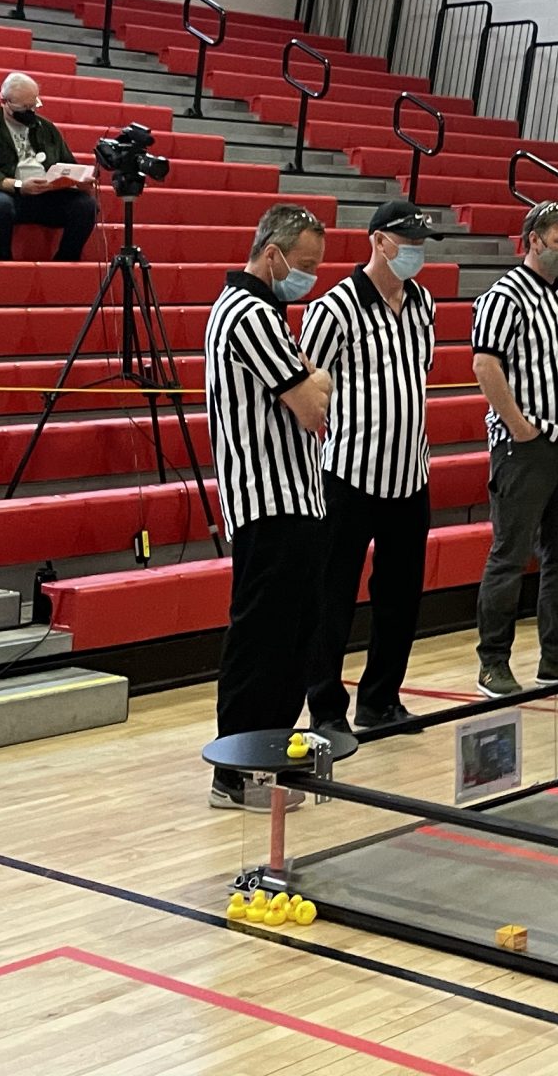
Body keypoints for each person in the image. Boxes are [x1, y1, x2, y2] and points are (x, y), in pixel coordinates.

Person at [206, 205, 338, 808]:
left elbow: (310, 390)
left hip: (293, 497)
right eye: (304, 263)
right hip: (270, 499)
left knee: (292, 638)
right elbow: (314, 407)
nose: (310, 276)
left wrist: (312, 379)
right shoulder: (250, 313)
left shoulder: (257, 311)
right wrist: (316, 380)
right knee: (264, 639)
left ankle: (270, 758)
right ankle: (237, 770)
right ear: (272, 253)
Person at [297, 198, 439, 741]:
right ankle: (325, 708)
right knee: (332, 596)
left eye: (422, 244)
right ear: (379, 241)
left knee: (401, 597)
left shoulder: (423, 302)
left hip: (409, 472)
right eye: (409, 243)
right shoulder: (335, 308)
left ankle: (381, 699)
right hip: (348, 473)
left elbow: (417, 373)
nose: (417, 253)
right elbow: (308, 382)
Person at [472, 201, 558, 694]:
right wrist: (518, 425)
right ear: (533, 240)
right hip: (526, 448)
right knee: (510, 554)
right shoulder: (504, 296)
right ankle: (493, 661)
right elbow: (485, 365)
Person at [0, 72, 99, 262]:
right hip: (8, 194)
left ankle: (65, 261)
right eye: (24, 107)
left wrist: (78, 181)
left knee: (86, 206)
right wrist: (19, 185)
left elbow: (68, 163)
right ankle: (1, 263)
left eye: (34, 105)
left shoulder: (46, 128)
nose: (31, 111)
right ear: (4, 102)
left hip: (46, 194)